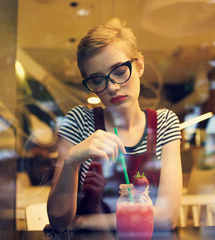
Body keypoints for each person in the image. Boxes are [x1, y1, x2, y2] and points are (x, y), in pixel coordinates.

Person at [47, 18, 182, 232]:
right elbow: (58, 220)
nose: (112, 87)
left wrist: (84, 222)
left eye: (119, 71)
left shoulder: (164, 123)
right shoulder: (79, 123)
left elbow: (167, 218)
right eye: (98, 80)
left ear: (139, 66)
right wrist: (72, 161)